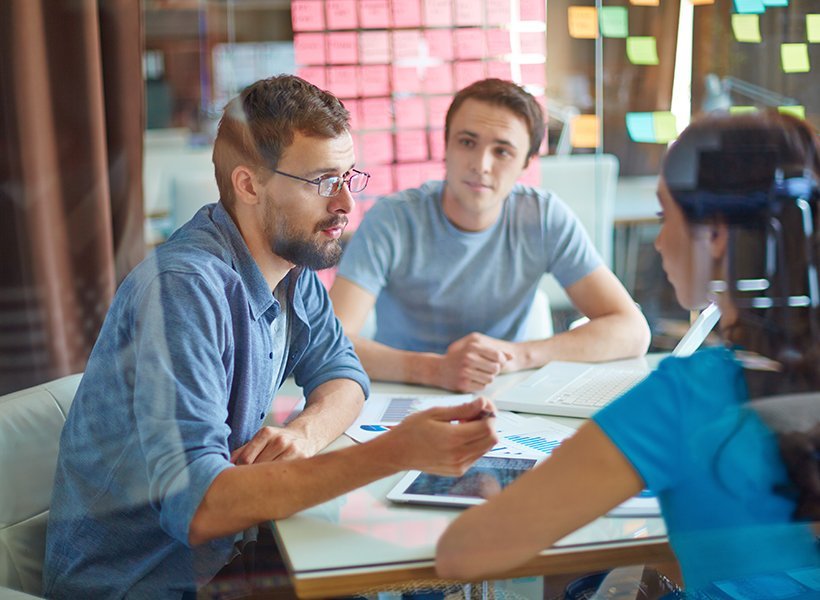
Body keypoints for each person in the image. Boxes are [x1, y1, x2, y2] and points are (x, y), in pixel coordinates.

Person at [42, 75, 497, 599]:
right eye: (324, 181)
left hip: (221, 560)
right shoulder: (182, 292)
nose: (347, 202)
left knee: (417, 577)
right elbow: (200, 506)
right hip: (142, 584)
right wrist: (395, 452)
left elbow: (343, 374)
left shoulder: (288, 264)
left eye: (349, 175)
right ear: (250, 185)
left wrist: (304, 436)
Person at [436, 111, 820, 596]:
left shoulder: (687, 396)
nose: (659, 241)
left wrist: (488, 491)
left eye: (665, 217)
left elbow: (463, 554)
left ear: (715, 234)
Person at [330, 79, 650, 393]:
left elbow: (632, 330)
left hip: (503, 392)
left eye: (502, 151)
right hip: (402, 394)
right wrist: (436, 370)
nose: (481, 165)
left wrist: (519, 355)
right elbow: (331, 342)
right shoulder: (393, 219)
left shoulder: (544, 217)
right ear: (446, 146)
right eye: (467, 142)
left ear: (526, 163)